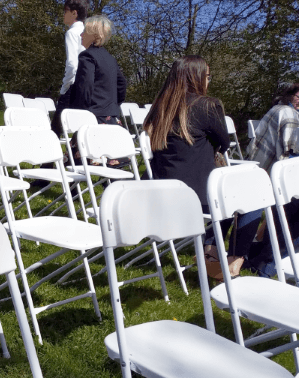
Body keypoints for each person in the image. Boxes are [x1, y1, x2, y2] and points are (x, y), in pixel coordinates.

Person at [144, 55, 260, 279]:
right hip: (197, 200)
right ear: (196, 77)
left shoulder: (158, 108)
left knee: (225, 193)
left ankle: (211, 249)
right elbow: (224, 144)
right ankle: (234, 259)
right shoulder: (207, 105)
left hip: (161, 195)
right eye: (207, 76)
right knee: (252, 199)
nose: (209, 81)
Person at [246, 84, 299, 276]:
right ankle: (267, 265)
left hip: (259, 172)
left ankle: (259, 259)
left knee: (282, 216)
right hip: (272, 177)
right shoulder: (289, 114)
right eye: (298, 96)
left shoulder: (279, 109)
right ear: (291, 96)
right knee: (290, 215)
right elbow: (290, 154)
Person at [69, 14, 126, 124]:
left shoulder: (87, 56)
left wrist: (80, 111)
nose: (81, 35)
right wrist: (112, 105)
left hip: (93, 117)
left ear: (92, 35)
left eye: (84, 31)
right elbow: (122, 84)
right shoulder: (110, 58)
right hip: (112, 117)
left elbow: (85, 86)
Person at [50, 0, 87, 138]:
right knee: (80, 128)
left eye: (65, 11)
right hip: (86, 86)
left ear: (74, 13)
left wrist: (64, 88)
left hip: (72, 86)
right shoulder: (88, 33)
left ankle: (49, 160)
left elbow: (72, 64)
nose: (63, 14)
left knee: (56, 128)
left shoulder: (72, 32)